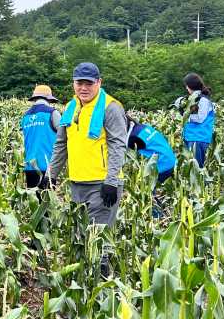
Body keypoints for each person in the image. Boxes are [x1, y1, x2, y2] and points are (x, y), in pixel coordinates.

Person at [47, 63, 127, 275]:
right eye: (79, 83)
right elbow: (61, 143)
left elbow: (118, 144)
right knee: (82, 237)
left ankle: (101, 290)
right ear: (73, 83)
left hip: (102, 185)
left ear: (98, 83)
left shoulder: (111, 107)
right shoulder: (71, 107)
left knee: (97, 240)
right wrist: (51, 175)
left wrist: (111, 180)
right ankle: (86, 286)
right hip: (77, 183)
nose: (83, 88)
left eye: (88, 83)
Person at [21, 84, 60, 189]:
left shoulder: (25, 116)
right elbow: (63, 136)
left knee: (33, 202)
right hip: (48, 167)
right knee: (46, 202)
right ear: (48, 99)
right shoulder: (53, 113)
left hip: (30, 165)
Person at [174, 73, 215, 168]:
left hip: (198, 138)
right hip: (191, 137)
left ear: (190, 86)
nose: (186, 88)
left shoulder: (203, 100)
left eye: (186, 86)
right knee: (190, 168)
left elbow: (200, 118)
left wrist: (185, 115)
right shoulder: (194, 99)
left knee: (196, 169)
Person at [126, 117, 176, 185]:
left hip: (163, 167)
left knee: (145, 188)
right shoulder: (143, 127)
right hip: (171, 160)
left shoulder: (133, 137)